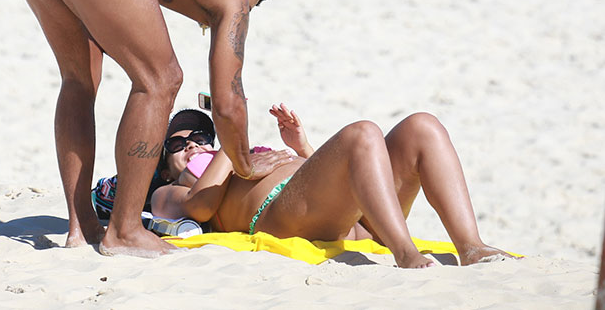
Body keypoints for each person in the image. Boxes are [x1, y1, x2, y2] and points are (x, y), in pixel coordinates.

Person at [7, 0, 283, 256]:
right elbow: (227, 103)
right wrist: (244, 164)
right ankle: (124, 230)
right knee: (161, 80)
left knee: (79, 78)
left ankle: (81, 224)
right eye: (250, 7)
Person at [150, 105, 517, 268]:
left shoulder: (236, 155)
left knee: (422, 125)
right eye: (178, 144)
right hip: (279, 216)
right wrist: (232, 144)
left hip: (345, 216)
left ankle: (470, 246)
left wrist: (304, 151)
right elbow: (198, 210)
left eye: (200, 135)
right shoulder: (172, 186)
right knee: (362, 133)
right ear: (165, 167)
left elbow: (338, 177)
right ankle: (405, 252)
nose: (193, 145)